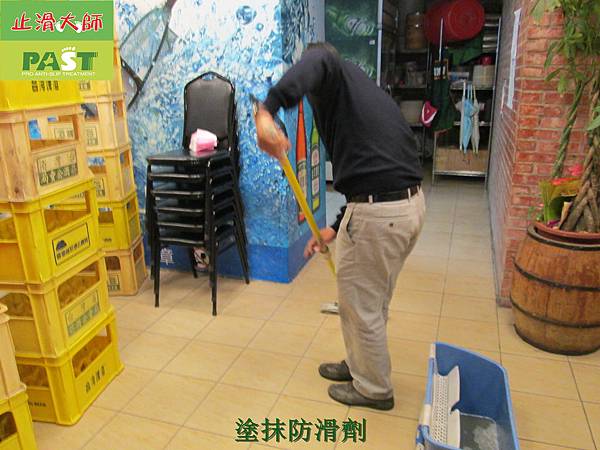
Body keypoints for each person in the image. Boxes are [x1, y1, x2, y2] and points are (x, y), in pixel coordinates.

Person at [254, 42, 425, 411]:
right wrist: (335, 226)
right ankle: (361, 365)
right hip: (402, 207)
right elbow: (370, 167)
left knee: (362, 306)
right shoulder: (359, 91)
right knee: (368, 302)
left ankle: (374, 388)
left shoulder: (329, 66)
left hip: (381, 214)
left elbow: (320, 59)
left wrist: (267, 111)